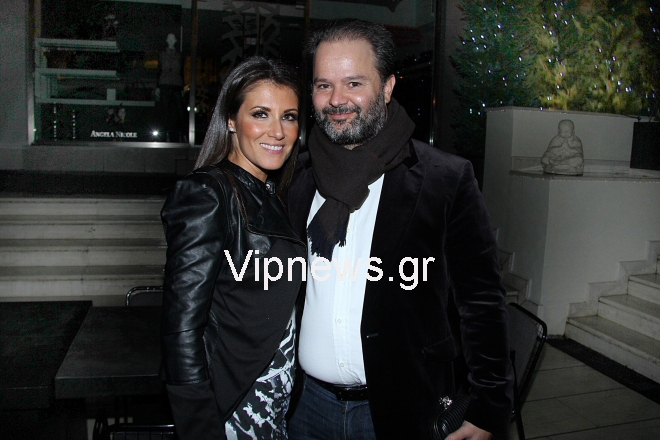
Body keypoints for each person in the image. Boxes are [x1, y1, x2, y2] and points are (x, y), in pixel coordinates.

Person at [286, 20, 514, 440]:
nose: (336, 100)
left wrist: (489, 406)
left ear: (388, 87)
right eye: (323, 85)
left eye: (354, 83)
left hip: (403, 410)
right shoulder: (296, 178)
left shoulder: (444, 179)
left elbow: (481, 301)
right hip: (304, 410)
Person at [160, 56, 305, 440]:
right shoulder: (208, 192)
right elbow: (181, 326)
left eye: (289, 117)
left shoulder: (270, 192)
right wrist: (198, 424)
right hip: (235, 405)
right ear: (230, 120)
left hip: (274, 403)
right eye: (261, 114)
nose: (278, 131)